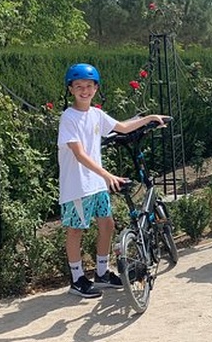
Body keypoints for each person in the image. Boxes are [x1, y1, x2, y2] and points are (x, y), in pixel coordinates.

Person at [58, 63, 168, 298]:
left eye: (89, 86)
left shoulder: (96, 114)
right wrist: (107, 175)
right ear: (71, 89)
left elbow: (122, 127)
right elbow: (79, 154)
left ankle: (102, 273)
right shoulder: (69, 118)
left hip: (96, 184)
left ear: (96, 88)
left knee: (107, 225)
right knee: (76, 230)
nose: (84, 90)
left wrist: (149, 118)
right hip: (78, 185)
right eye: (79, 86)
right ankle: (77, 279)